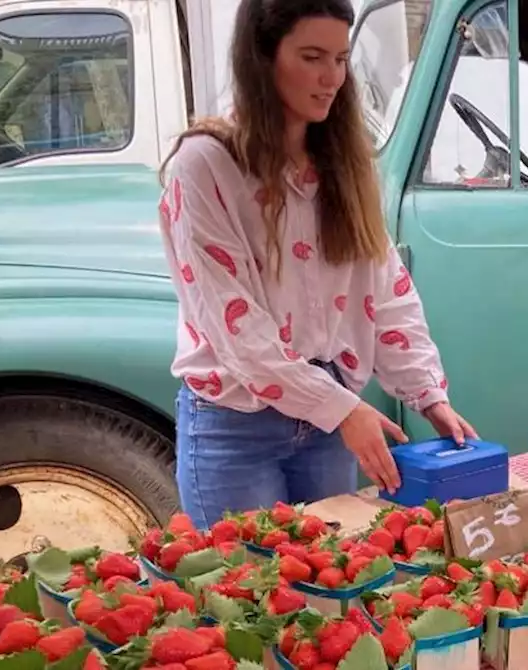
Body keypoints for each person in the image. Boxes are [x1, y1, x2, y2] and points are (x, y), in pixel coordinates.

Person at [157, 0, 475, 528]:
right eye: (312, 57)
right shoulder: (206, 165)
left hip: (330, 420)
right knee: (249, 597)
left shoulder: (348, 166)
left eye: (341, 59)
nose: (331, 78)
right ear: (261, 56)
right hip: (236, 424)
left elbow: (387, 291)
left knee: (331, 596)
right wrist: (344, 410)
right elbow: (235, 327)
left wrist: (428, 395)